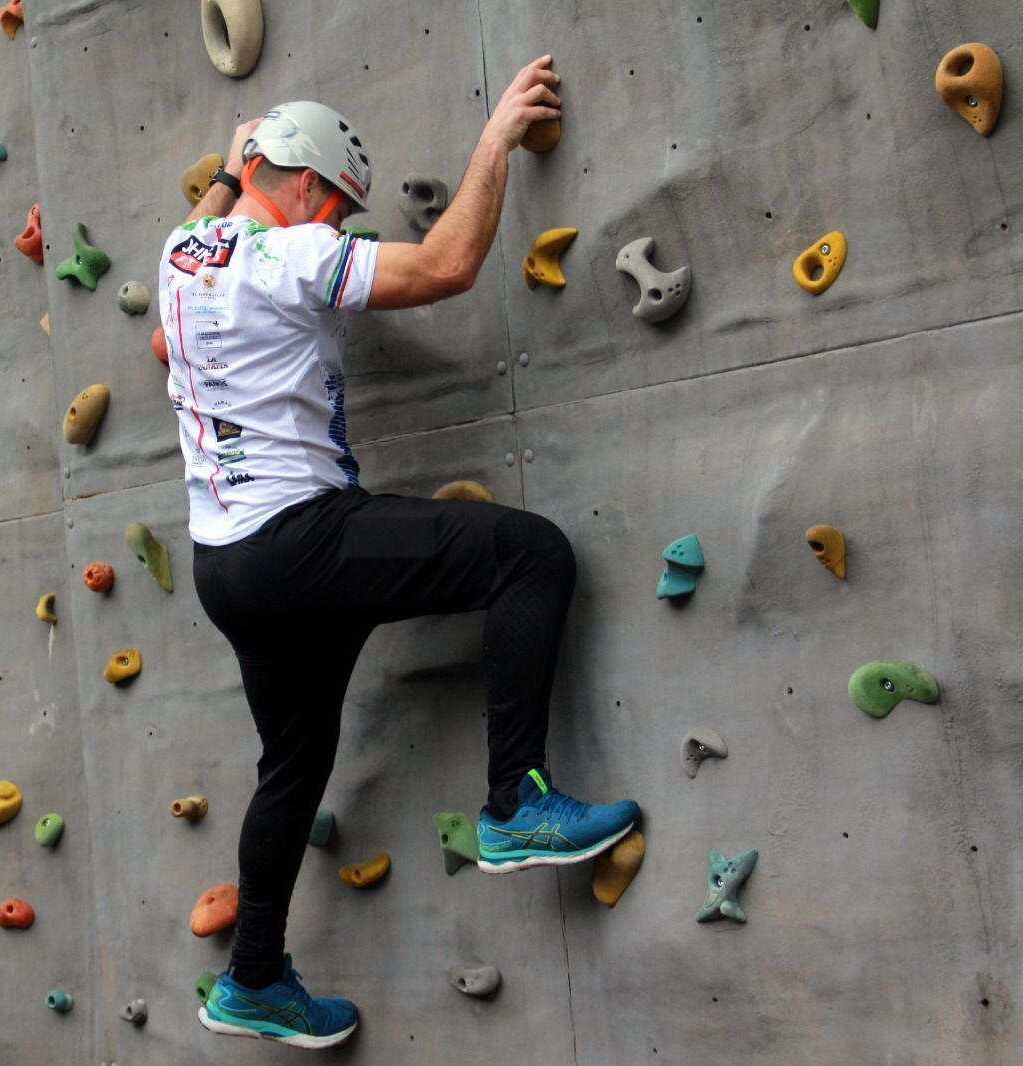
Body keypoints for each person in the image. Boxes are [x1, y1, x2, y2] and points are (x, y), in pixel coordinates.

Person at [158, 57, 641, 1049]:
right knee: (531, 555)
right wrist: (495, 138)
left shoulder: (182, 253)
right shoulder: (292, 255)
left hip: (226, 568)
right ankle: (514, 802)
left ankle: (254, 980)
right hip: (299, 540)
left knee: (293, 769)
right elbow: (448, 266)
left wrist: (236, 163)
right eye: (337, 206)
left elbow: (168, 345)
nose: (340, 226)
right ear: (303, 186)